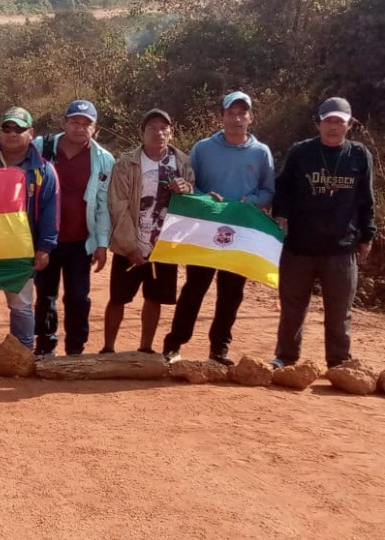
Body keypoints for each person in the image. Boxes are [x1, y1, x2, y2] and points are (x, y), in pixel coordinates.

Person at [162, 91, 275, 365]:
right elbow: (191, 184)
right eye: (231, 113)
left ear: (251, 117)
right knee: (195, 286)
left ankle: (219, 350)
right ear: (221, 117)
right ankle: (173, 345)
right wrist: (205, 196)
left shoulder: (261, 153)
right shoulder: (203, 148)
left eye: (242, 113)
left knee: (232, 292)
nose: (237, 118)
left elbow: (268, 191)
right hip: (205, 229)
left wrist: (252, 201)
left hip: (241, 233)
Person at [272, 97, 376, 369]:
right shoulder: (300, 152)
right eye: (328, 121)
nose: (333, 127)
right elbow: (282, 189)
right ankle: (285, 357)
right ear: (318, 123)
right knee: (293, 307)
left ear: (349, 124)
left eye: (339, 122)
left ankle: (339, 362)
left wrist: (367, 236)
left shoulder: (359, 154)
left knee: (340, 311)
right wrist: (280, 216)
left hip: (341, 249)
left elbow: (366, 199)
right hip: (299, 247)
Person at [0, 107, 59, 353]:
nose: (12, 133)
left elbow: (51, 211)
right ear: (0, 132)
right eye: (7, 128)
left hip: (20, 250)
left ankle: (22, 354)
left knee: (21, 306)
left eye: (19, 129)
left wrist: (45, 248)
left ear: (31, 133)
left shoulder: (43, 170)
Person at [102, 109, 195, 354]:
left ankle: (145, 348)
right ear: (141, 132)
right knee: (118, 298)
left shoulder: (182, 162)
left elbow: (191, 200)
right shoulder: (126, 163)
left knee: (154, 298)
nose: (159, 133)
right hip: (129, 244)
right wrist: (130, 246)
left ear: (171, 133)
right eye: (152, 128)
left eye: (164, 128)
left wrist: (186, 189)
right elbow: (118, 204)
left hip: (163, 246)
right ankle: (108, 348)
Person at [31, 100, 115, 356]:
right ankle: (45, 347)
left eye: (86, 123)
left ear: (95, 128)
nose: (80, 128)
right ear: (64, 123)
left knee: (78, 298)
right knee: (45, 296)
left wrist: (101, 244)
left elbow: (103, 205)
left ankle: (75, 350)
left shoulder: (104, 160)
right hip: (45, 240)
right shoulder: (41, 147)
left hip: (81, 241)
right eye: (75, 122)